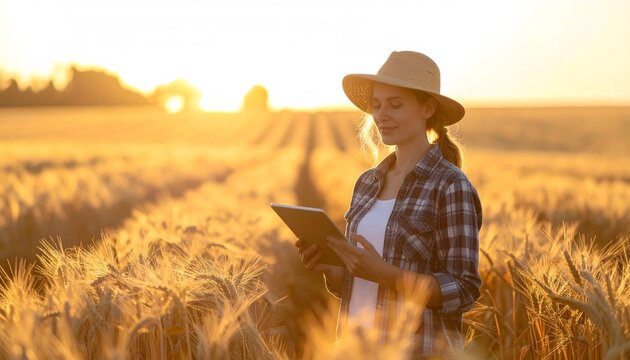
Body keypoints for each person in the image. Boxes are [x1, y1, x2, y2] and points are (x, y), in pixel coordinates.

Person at [295, 50, 482, 358]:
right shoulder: (366, 183)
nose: (382, 115)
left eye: (396, 105)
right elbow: (359, 287)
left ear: (427, 108)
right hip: (355, 348)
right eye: (377, 105)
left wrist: (386, 274)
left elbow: (463, 290)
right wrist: (333, 269)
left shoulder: (451, 185)